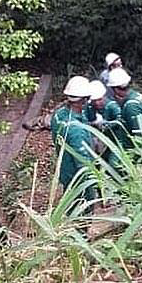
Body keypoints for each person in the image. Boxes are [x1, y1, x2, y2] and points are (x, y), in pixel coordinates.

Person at [50, 75, 97, 208]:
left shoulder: (58, 114)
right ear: (84, 100)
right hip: (78, 178)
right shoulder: (76, 130)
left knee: (70, 199)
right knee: (83, 208)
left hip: (65, 168)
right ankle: (82, 227)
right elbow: (83, 164)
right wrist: (94, 182)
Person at [106, 67, 142, 159]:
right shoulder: (138, 96)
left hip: (134, 151)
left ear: (116, 89)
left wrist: (136, 158)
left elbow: (138, 135)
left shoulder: (131, 106)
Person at [85, 79, 122, 166]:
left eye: (100, 100)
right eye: (94, 101)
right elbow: (84, 119)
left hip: (114, 140)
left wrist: (106, 124)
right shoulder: (89, 107)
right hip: (98, 140)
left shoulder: (112, 106)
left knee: (113, 164)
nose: (97, 103)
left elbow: (121, 121)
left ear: (104, 96)